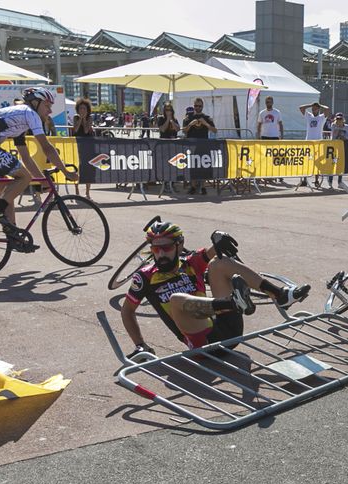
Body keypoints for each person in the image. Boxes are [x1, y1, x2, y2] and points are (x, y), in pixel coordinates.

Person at [120, 221, 311, 357]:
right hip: (201, 344)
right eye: (155, 249)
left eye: (167, 247)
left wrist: (218, 237)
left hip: (228, 330)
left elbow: (213, 250)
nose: (160, 253)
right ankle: (233, 302)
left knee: (219, 263)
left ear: (180, 246)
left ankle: (279, 295)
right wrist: (140, 345)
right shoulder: (145, 277)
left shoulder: (190, 262)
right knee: (177, 299)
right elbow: (127, 311)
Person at [0, 87, 78, 251]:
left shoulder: (20, 119)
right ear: (35, 103)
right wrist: (66, 172)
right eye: (47, 105)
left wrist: (42, 180)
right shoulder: (30, 113)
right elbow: (47, 148)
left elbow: (26, 158)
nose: (50, 111)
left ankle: (13, 237)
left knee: (7, 190)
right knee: (24, 177)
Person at [182, 98, 217, 195]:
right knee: (192, 166)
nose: (198, 108)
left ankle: (203, 187)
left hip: (203, 145)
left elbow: (214, 130)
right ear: (193, 106)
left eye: (200, 106)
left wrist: (205, 123)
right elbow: (183, 131)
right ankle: (193, 186)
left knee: (204, 166)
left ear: (202, 107)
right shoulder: (188, 117)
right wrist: (190, 124)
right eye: (196, 106)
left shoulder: (207, 117)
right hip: (191, 145)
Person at [299, 101, 330, 187]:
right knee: (306, 162)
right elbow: (301, 108)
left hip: (318, 143)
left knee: (317, 162)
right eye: (313, 109)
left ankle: (316, 180)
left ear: (319, 109)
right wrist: (310, 105)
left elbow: (327, 109)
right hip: (308, 142)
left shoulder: (321, 117)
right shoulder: (309, 116)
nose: (314, 110)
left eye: (315, 109)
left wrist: (320, 105)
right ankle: (304, 180)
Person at [73, 98, 95, 199]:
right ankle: (76, 189)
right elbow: (75, 129)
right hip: (78, 143)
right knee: (77, 167)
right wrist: (80, 119)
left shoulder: (90, 118)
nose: (82, 110)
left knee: (88, 168)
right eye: (81, 108)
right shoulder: (75, 118)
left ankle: (87, 192)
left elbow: (86, 130)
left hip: (88, 144)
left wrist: (85, 119)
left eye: (84, 109)